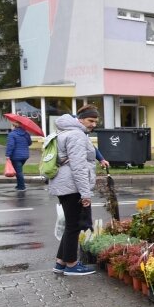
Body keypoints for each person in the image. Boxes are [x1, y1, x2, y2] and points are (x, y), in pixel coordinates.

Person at [50, 105, 100, 276]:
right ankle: (72, 265)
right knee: (74, 226)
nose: (93, 124)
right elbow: (78, 167)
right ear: (80, 119)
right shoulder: (77, 135)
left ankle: (60, 263)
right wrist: (85, 194)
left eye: (95, 121)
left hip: (64, 185)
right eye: (90, 120)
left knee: (70, 225)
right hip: (72, 186)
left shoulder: (63, 132)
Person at [5, 119, 32, 191]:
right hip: (25, 156)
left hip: (16, 156)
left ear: (13, 126)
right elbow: (29, 143)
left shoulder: (12, 134)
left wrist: (7, 155)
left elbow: (10, 145)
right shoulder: (26, 133)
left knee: (18, 172)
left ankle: (21, 187)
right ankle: (19, 185)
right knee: (18, 170)